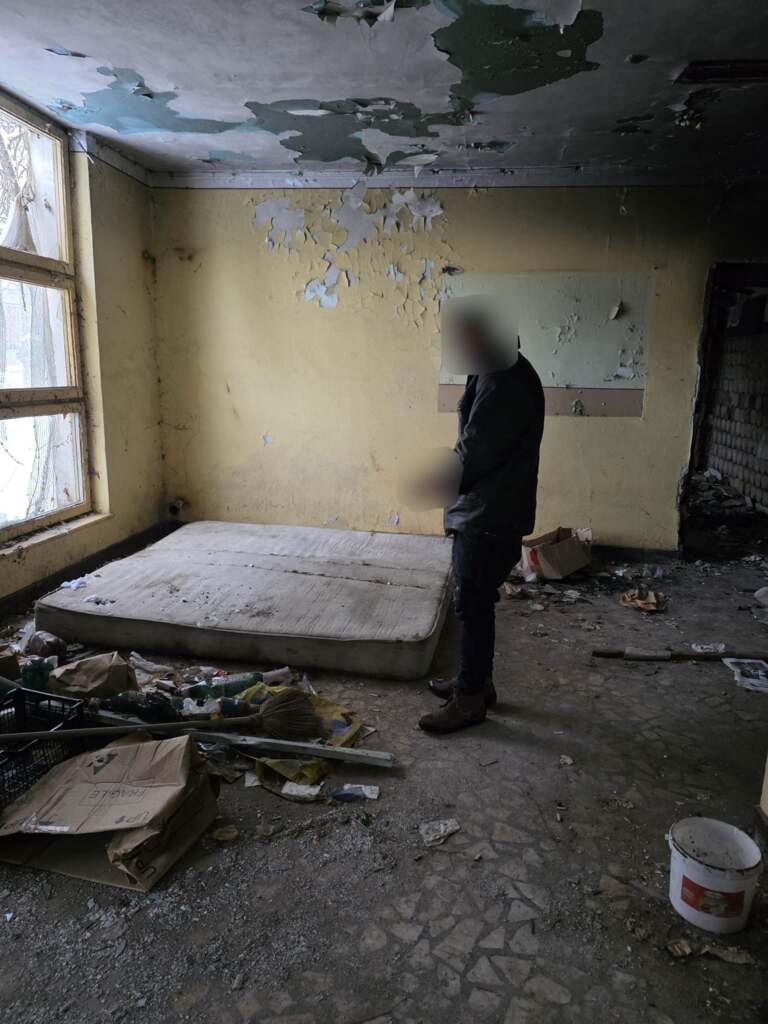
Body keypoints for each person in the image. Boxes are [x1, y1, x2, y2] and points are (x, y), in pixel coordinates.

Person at [418, 306, 545, 734]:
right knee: (476, 602)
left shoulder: (504, 379)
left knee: (471, 602)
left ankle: (470, 699)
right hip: (488, 507)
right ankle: (476, 682)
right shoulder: (495, 372)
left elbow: (477, 448)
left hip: (489, 512)